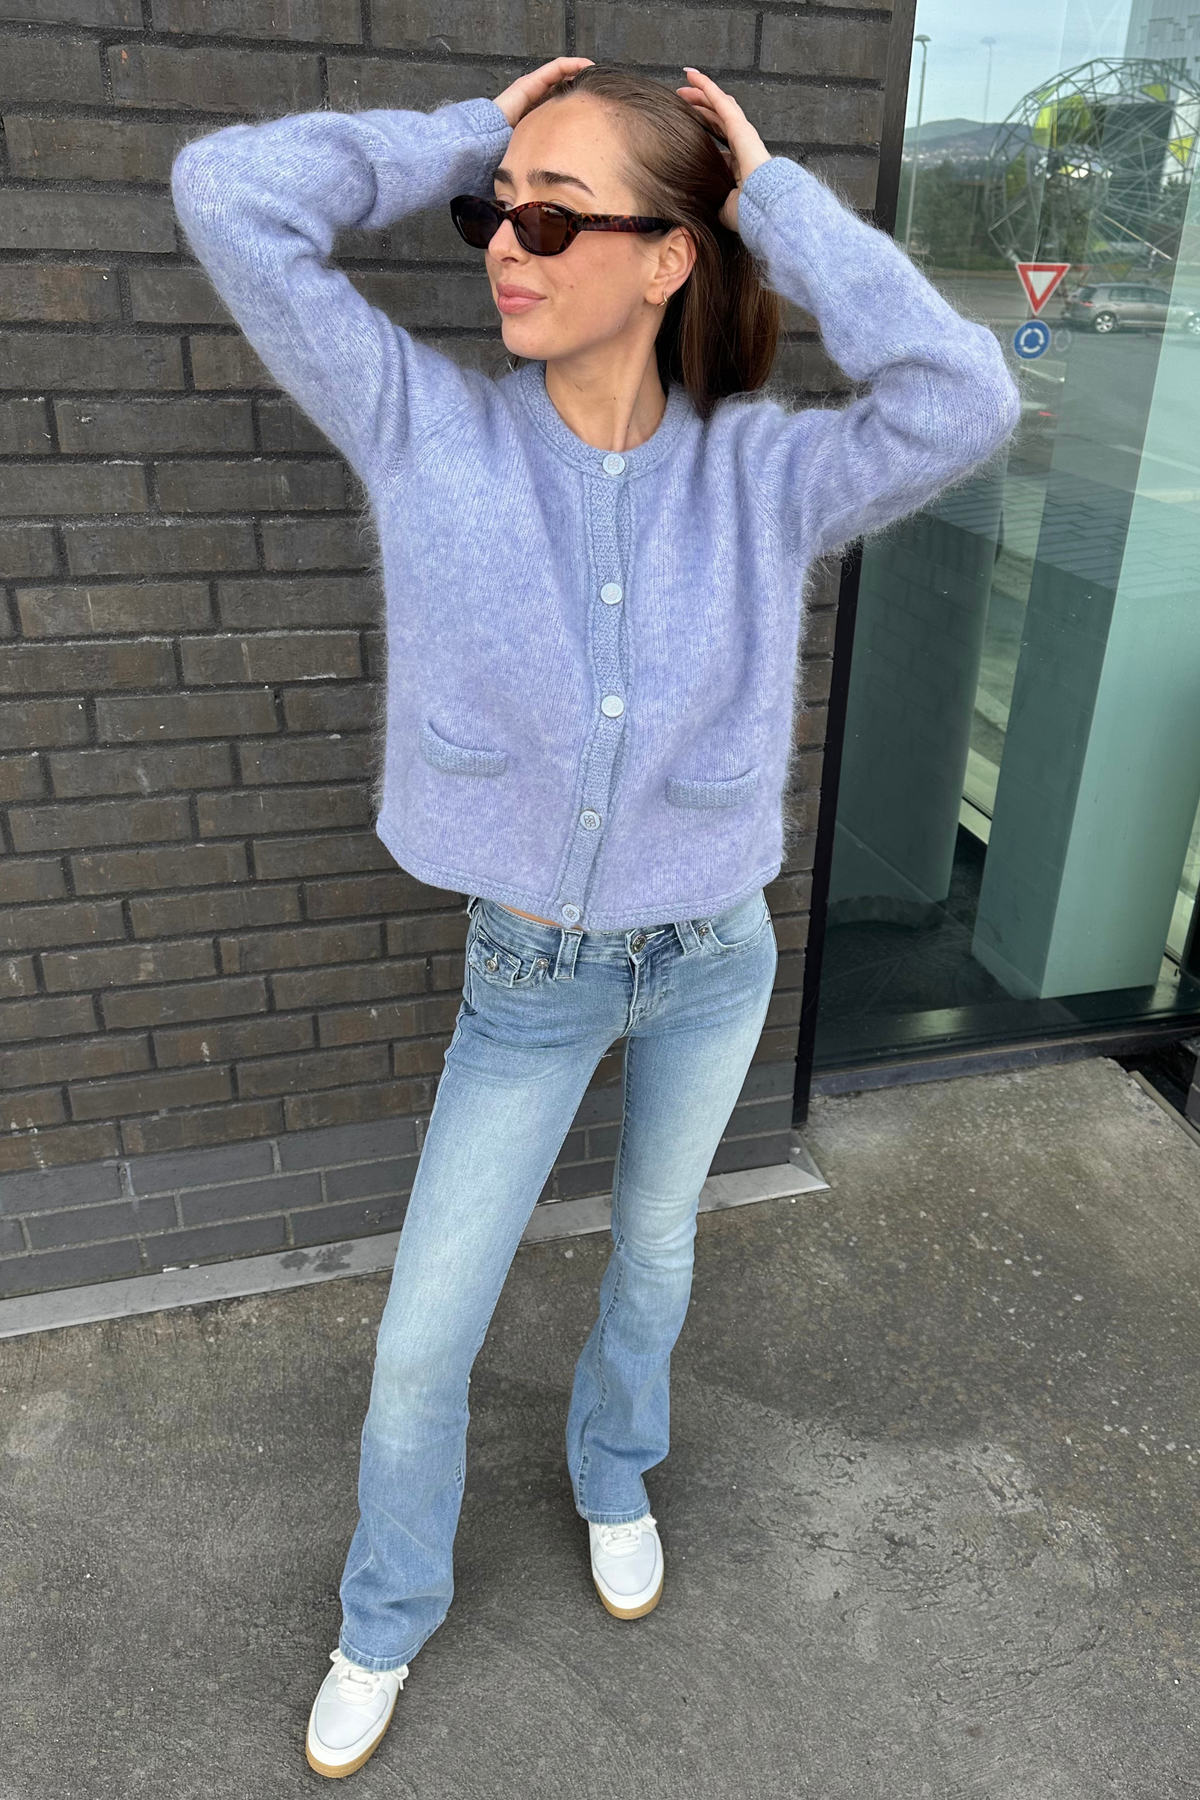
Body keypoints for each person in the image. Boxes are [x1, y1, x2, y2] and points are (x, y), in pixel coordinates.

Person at [170, 56, 1020, 1777]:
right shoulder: (426, 428)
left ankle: (613, 1469)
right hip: (530, 974)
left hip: (711, 958)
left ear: (667, 259)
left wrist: (775, 198)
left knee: (657, 1246)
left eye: (553, 218)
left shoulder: (765, 477)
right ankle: (384, 1613)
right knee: (426, 1334)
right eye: (494, 213)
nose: (504, 242)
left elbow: (965, 395)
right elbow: (228, 198)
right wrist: (463, 138)